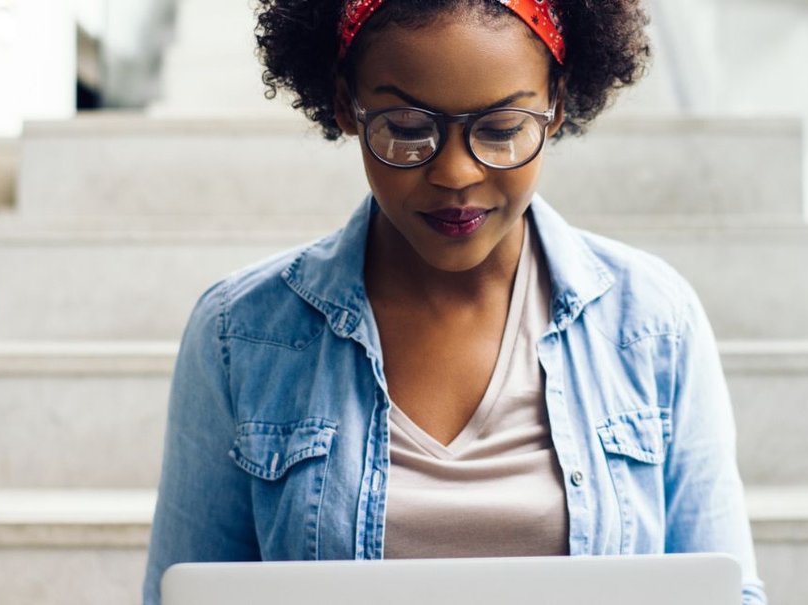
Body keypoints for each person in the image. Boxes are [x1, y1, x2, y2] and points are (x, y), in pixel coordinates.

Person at [143, 1, 766, 603]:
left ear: (556, 105)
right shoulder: (240, 333)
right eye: (409, 131)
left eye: (500, 130)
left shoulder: (653, 322)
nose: (456, 175)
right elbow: (187, 592)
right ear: (344, 106)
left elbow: (726, 591)